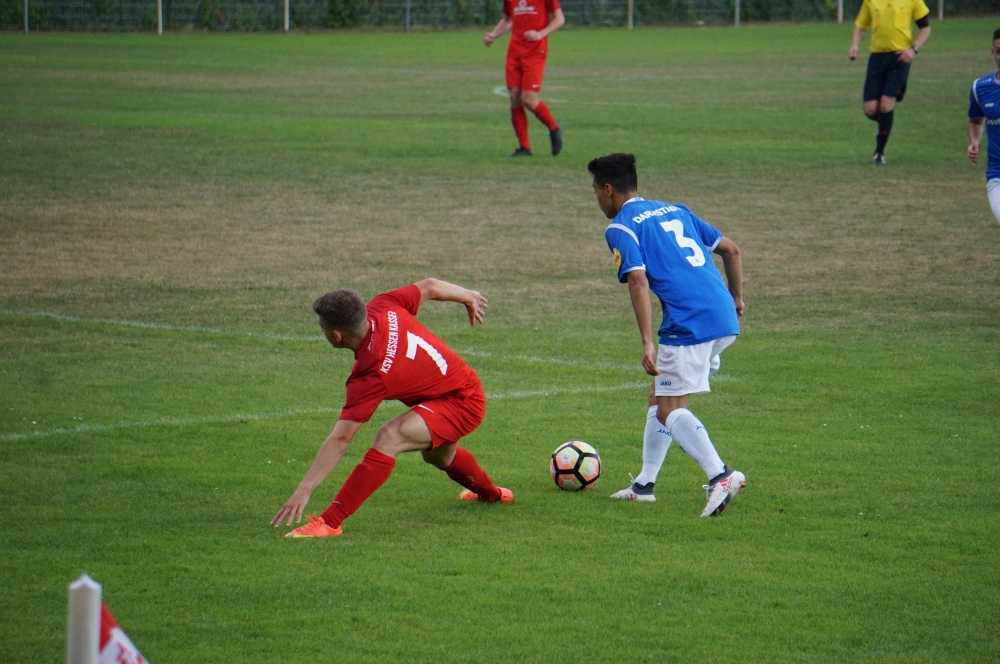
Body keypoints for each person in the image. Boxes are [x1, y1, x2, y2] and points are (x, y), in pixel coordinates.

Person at [272, 279, 513, 538]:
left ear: (336, 335)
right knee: (438, 456)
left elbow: (342, 438)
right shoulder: (384, 306)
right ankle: (494, 495)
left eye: (323, 327)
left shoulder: (369, 375)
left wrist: (304, 489)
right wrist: (469, 295)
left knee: (390, 436)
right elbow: (430, 286)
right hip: (456, 387)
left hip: (462, 402)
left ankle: (330, 522)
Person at [588, 153, 746, 517]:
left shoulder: (621, 227)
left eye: (596, 191)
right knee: (659, 398)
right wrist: (736, 298)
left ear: (608, 190)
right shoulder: (676, 210)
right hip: (721, 313)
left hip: (689, 321)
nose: (597, 200)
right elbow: (731, 250)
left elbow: (638, 280)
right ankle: (644, 485)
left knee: (668, 408)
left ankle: (720, 475)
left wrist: (647, 342)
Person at [849, 0, 931, 165]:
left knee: (886, 105)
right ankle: (886, 123)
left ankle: (879, 153)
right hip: (876, 59)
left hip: (900, 58)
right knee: (870, 109)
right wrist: (855, 45)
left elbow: (925, 28)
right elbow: (861, 26)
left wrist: (913, 49)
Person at [484, 0, 565, 157]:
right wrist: (493, 35)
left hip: (535, 52)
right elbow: (508, 20)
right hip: (514, 51)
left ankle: (554, 128)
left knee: (528, 99)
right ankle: (524, 148)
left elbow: (559, 19)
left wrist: (540, 34)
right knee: (514, 97)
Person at [967, 27, 1000, 226]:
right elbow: (975, 121)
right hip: (997, 174)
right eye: (999, 51)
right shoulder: (981, 87)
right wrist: (974, 141)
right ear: (992, 52)